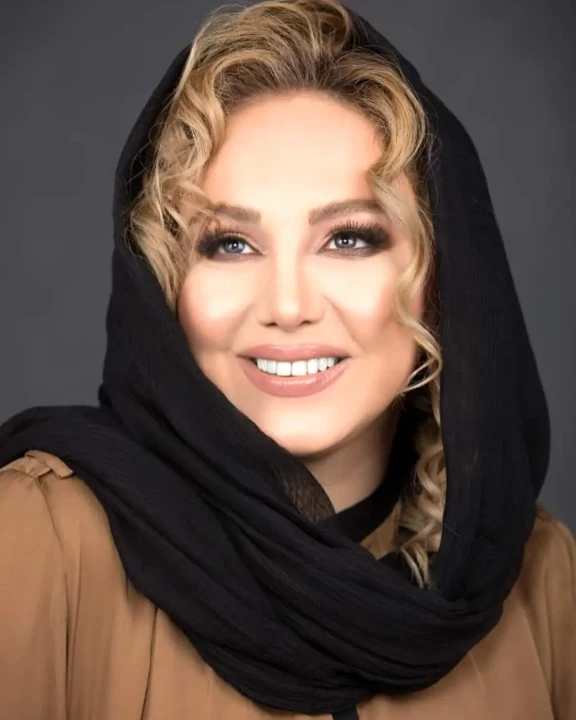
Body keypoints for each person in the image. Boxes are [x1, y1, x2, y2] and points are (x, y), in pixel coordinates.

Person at [0, 0, 574, 718]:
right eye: (230, 244)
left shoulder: (540, 580)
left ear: (441, 281)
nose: (289, 304)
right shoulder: (37, 542)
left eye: (349, 239)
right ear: (165, 283)